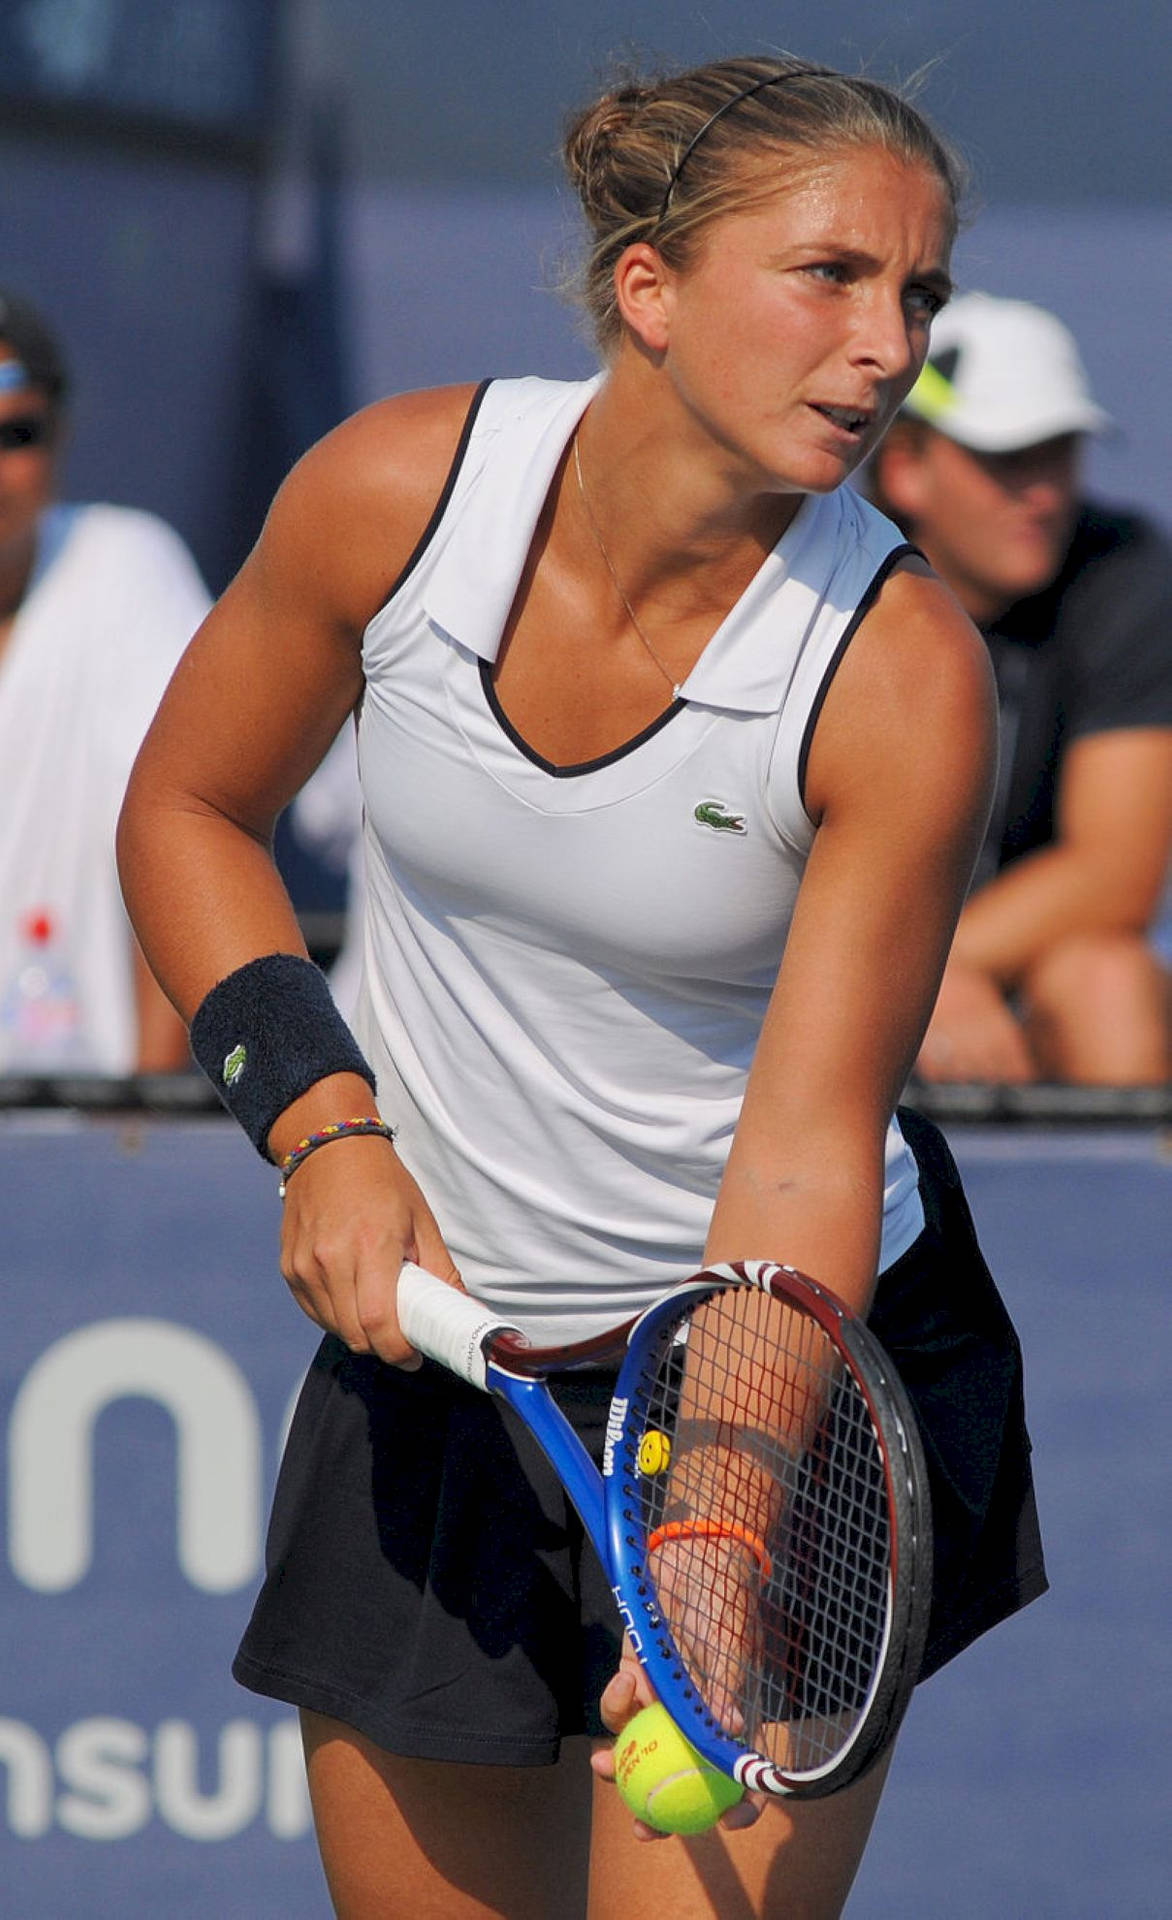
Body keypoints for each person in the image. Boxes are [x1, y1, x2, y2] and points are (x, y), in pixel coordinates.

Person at [117, 56, 1046, 1920]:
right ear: (648, 288)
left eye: (918, 296)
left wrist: (711, 1521)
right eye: (831, 278)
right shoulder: (392, 493)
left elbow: (801, 1149)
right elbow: (188, 809)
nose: (888, 351)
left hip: (776, 1374)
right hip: (443, 1366)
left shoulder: (900, 671)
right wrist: (322, 1129)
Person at [868, 292, 1172, 1086]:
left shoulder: (1125, 573)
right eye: (1007, 459)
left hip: (992, 977)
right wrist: (899, 986)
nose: (1043, 492)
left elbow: (1116, 873)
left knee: (1107, 982)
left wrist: (938, 971)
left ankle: (1128, 1211)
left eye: (1059, 452)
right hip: (842, 970)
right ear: (906, 468)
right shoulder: (818, 583)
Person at [0, 289, 210, 1075]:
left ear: (61, 434)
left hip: (85, 1130)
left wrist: (137, 1129)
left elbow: (187, 835)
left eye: (14, 433)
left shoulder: (124, 566)